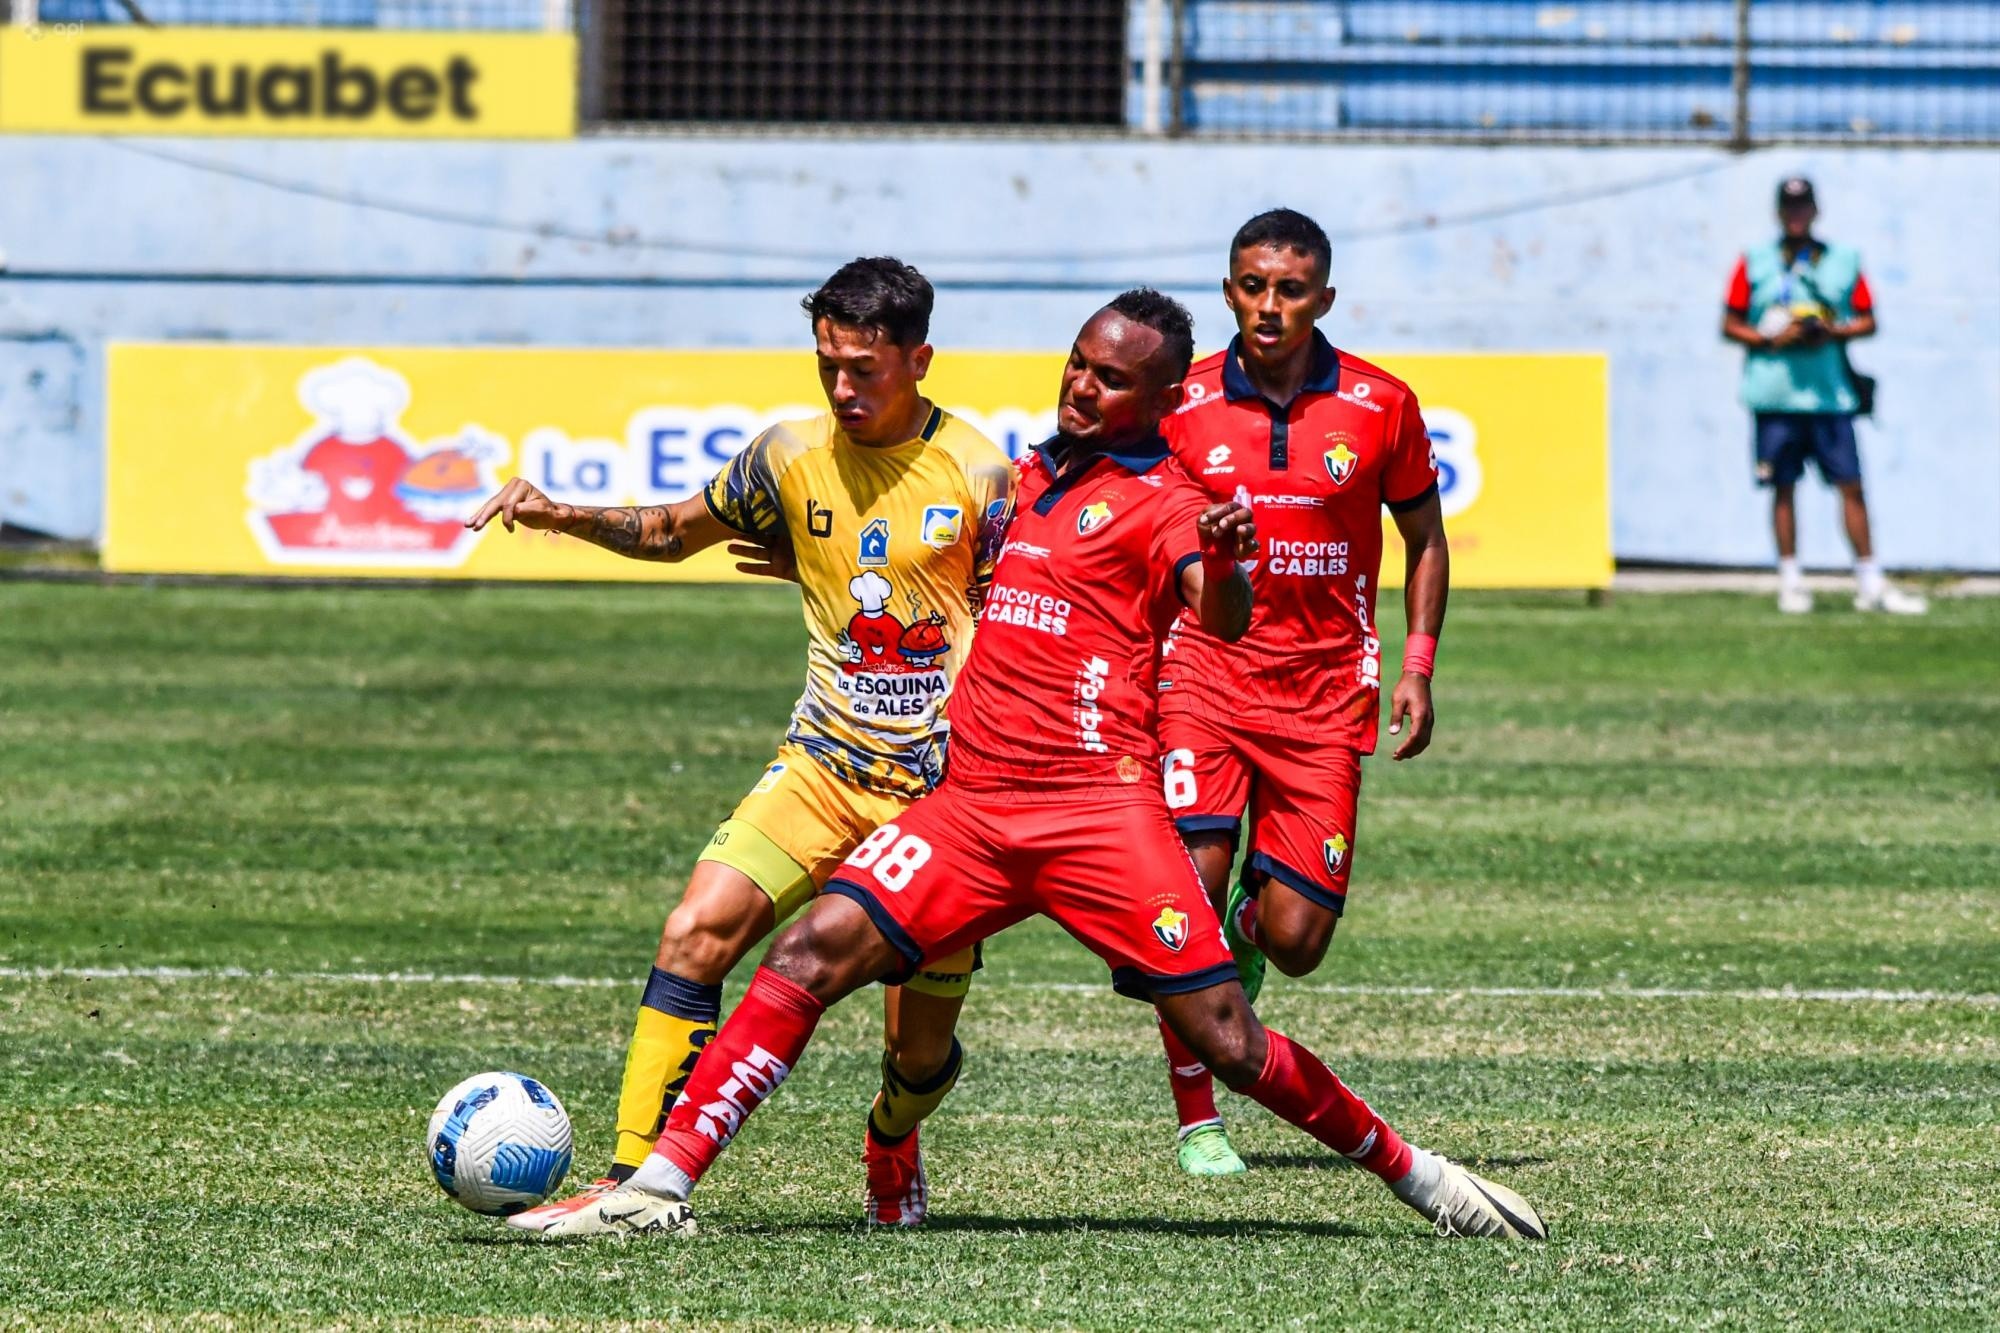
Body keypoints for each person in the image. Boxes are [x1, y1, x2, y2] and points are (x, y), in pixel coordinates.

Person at [527, 290, 1548, 1242]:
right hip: (967, 809)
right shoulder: (1030, 476)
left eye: (1107, 379)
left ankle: (1424, 1178)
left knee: (1229, 1041)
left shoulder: (1173, 502)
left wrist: (1232, 562)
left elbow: (1218, 612)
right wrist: (825, 559)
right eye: (1074, 365)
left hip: (1096, 815)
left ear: (1160, 401)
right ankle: (657, 1187)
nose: (1078, 386)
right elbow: (929, 566)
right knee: (806, 956)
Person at [467, 257, 1014, 1229]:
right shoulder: (785, 455)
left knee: (916, 1053)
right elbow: (674, 530)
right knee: (694, 929)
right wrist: (563, 516)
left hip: (938, 800)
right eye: (826, 366)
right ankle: (632, 1181)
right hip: (821, 768)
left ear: (918, 359)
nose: (841, 389)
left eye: (864, 368)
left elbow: (1021, 623)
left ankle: (891, 1137)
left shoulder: (978, 474)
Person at [1145, 208, 1450, 1175]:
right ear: (1228, 289)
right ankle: (1199, 1117)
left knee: (1298, 938)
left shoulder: (1381, 403)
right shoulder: (1178, 401)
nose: (1267, 306)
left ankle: (1250, 925)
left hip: (1326, 693)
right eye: (1250, 285)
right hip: (1204, 672)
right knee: (1187, 879)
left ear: (1324, 296)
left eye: (1288, 289)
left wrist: (1417, 664)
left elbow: (1424, 537)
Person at [1722, 177, 1926, 615]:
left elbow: (1868, 320)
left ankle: (1870, 582)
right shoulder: (1755, 261)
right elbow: (1730, 323)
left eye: (1803, 207)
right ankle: (1791, 581)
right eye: (1789, 207)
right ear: (1778, 212)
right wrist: (1770, 338)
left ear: (1816, 210)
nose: (1796, 215)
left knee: (1850, 485)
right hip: (1774, 395)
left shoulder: (1843, 260)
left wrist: (1831, 331)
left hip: (1829, 396)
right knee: (1782, 487)